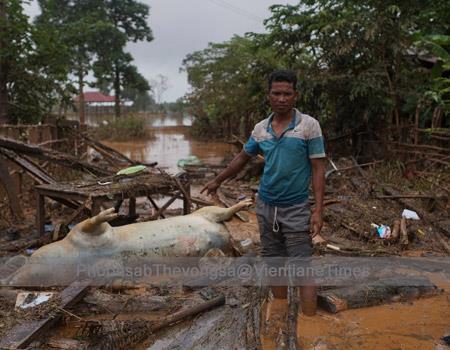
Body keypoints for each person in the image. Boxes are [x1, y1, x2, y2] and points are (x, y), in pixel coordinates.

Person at [201, 69, 326, 315]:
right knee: (273, 260)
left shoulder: (309, 126)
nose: (281, 98)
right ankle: (279, 311)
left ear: (295, 95)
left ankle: (311, 321)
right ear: (269, 95)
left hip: (296, 207)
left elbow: (318, 167)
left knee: (302, 265)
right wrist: (218, 180)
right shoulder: (260, 129)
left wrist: (318, 210)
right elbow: (242, 157)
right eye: (276, 93)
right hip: (266, 205)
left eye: (286, 94)